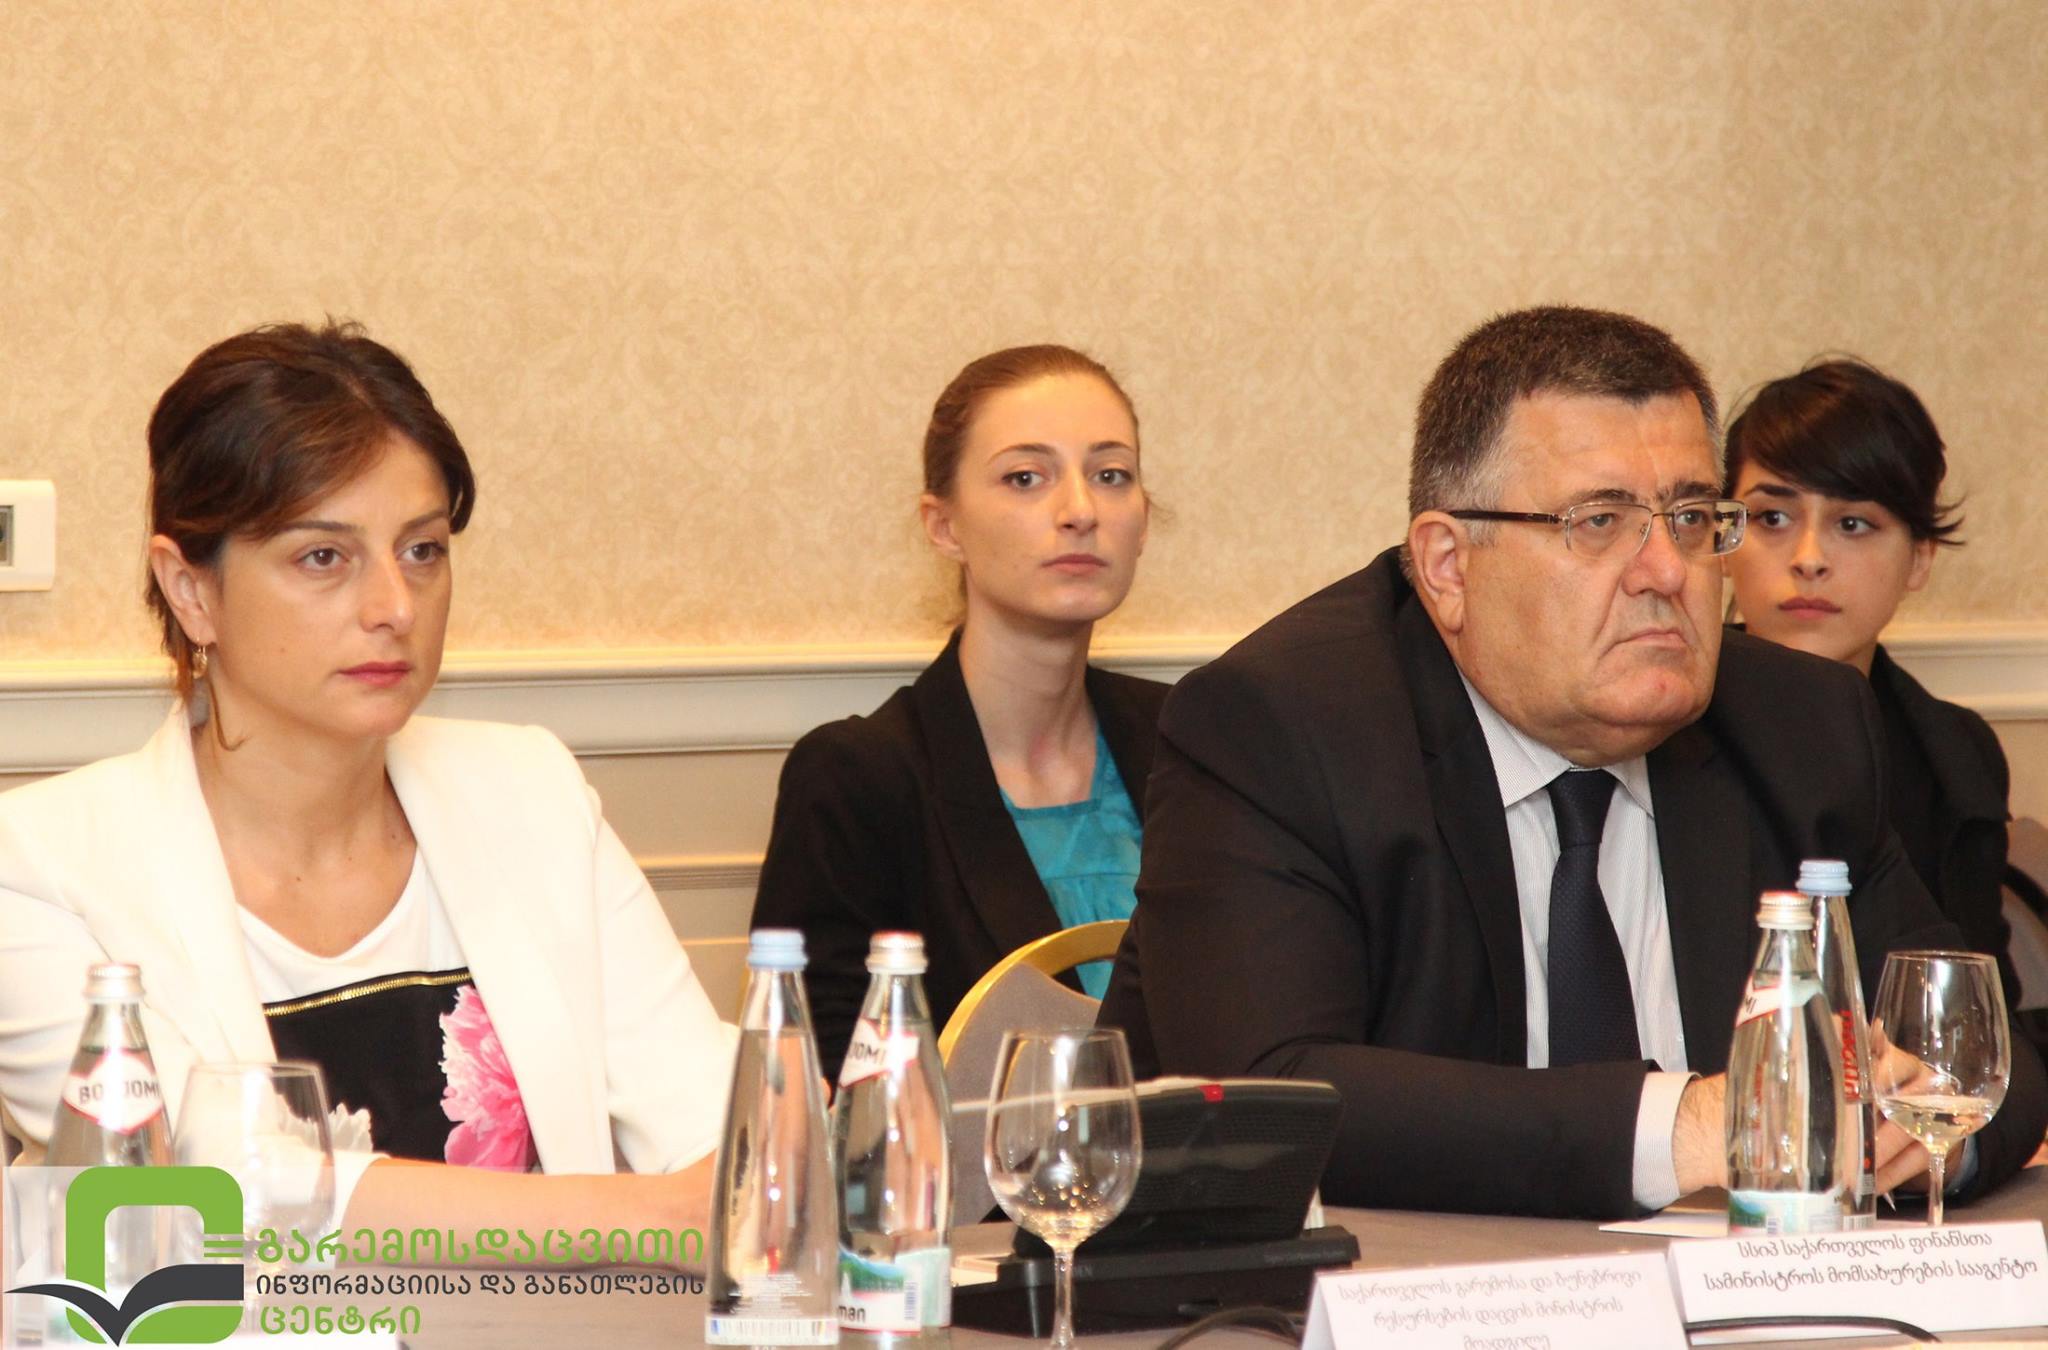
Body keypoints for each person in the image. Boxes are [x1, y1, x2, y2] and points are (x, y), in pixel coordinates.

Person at [1098, 305, 2048, 1219]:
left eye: (1690, 518)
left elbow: (1978, 1048)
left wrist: (1925, 1128)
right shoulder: (1282, 727)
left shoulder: (1801, 724)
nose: (1667, 571)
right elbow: (1270, 1094)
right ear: (1447, 567)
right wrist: (1690, 1126)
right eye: (1599, 522)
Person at [0, 322, 736, 1245]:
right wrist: (646, 1217)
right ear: (190, 590)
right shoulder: (39, 866)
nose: (394, 606)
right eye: (324, 557)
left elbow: (716, 1131)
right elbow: (215, 1193)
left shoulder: (530, 792)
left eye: (422, 550)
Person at [751, 344, 1167, 1075]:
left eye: (1111, 475)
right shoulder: (858, 780)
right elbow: (822, 1090)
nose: (1080, 511)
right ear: (944, 527)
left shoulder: (1189, 740)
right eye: (1025, 477)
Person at [1720, 359, 2017, 996]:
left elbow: (1973, 1003)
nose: (1808, 559)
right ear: (1723, 538)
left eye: (1852, 523)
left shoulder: (1955, 753)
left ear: (1919, 559)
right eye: (1772, 518)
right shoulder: (1656, 722)